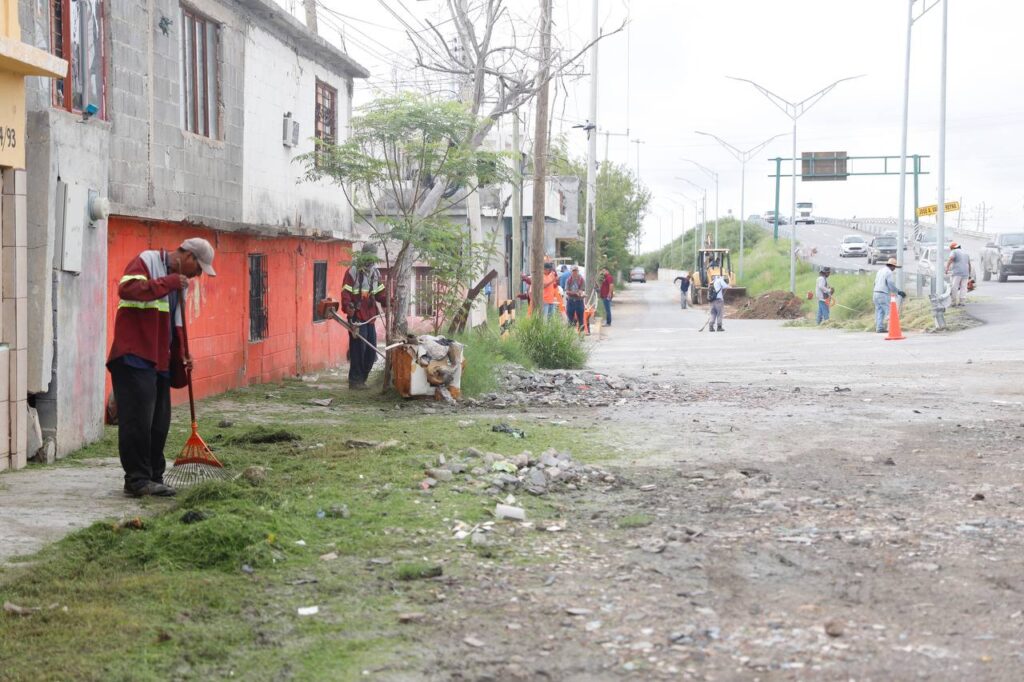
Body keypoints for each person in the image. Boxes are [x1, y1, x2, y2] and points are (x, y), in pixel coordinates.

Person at [107, 238, 216, 497]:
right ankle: (136, 480)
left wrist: (183, 356)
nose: (198, 275)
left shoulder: (182, 286)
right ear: (188, 256)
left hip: (159, 360)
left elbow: (176, 326)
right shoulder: (146, 260)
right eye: (198, 268)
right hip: (134, 355)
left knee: (159, 422)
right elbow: (128, 289)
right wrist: (168, 283)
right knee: (138, 422)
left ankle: (154, 476)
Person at [342, 242, 387, 389]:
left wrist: (388, 301)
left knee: (371, 351)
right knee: (358, 350)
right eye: (369, 256)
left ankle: (363, 379)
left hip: (370, 318)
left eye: (374, 256)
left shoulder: (376, 272)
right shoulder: (352, 271)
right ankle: (355, 381)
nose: (372, 259)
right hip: (357, 317)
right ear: (364, 255)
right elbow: (346, 293)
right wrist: (349, 307)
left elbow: (380, 292)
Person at [873, 257, 905, 333]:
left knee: (879, 311)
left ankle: (879, 328)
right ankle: (891, 328)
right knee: (889, 312)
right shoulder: (889, 272)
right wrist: (898, 292)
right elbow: (890, 284)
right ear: (892, 266)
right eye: (894, 267)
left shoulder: (880, 271)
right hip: (883, 294)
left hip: (875, 293)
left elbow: (875, 283)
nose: (895, 269)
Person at [945, 242, 970, 307]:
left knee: (954, 287)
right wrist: (969, 273)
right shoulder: (966, 252)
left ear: (953, 248)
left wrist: (947, 268)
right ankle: (962, 302)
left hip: (957, 272)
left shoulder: (954, 251)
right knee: (963, 287)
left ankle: (953, 302)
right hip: (965, 272)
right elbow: (969, 264)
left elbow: (951, 259)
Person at [564, 264, 586, 331]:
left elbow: (582, 289)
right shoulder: (568, 280)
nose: (575, 272)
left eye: (576, 271)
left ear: (578, 271)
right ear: (571, 271)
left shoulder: (581, 279)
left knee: (581, 318)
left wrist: (580, 292)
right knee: (570, 318)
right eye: (573, 271)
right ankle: (569, 335)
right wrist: (574, 293)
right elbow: (567, 291)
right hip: (570, 301)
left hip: (579, 301)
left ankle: (581, 335)